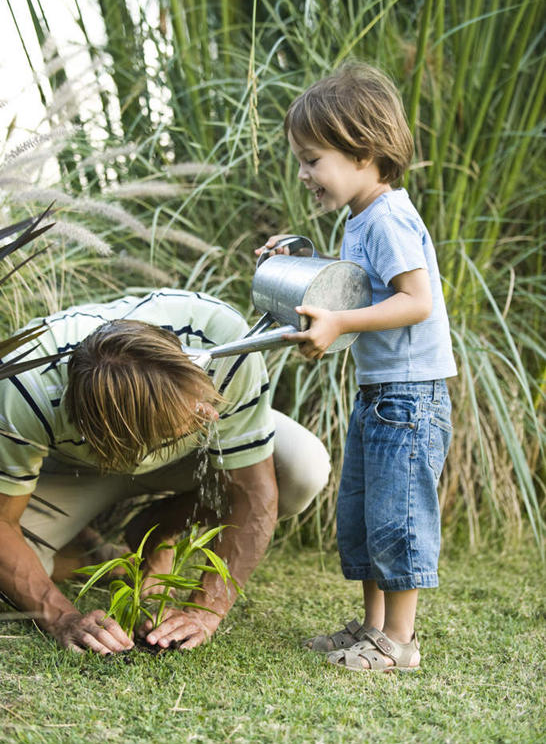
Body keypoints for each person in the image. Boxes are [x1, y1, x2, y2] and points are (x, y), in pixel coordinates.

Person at [257, 62, 456, 672]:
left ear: (363, 151)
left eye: (313, 159)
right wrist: (295, 257)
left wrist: (340, 324)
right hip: (381, 393)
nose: (304, 173)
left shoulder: (390, 217)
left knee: (398, 513)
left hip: (410, 397)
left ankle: (399, 640)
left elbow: (414, 300)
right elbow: (352, 286)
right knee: (368, 512)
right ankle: (372, 627)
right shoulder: (361, 218)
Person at [0, 288, 330, 654]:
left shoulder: (221, 338)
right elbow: (3, 525)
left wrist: (205, 611)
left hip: (185, 456)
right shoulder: (22, 385)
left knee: (301, 469)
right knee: (13, 570)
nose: (210, 414)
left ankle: (160, 526)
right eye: (189, 415)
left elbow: (254, 492)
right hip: (75, 466)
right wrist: (61, 617)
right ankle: (103, 557)